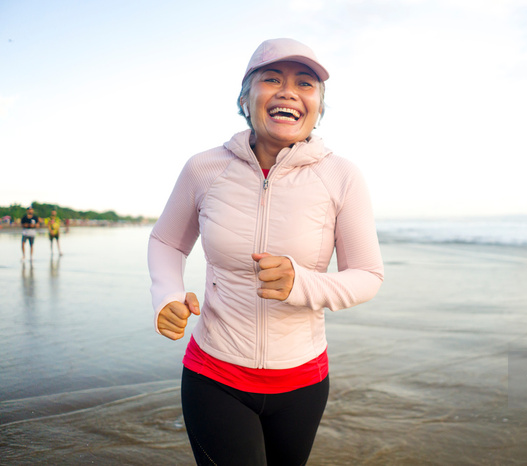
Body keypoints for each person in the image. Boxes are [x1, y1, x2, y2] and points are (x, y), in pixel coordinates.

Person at [147, 38, 384, 465]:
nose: (289, 91)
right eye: (271, 79)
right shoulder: (205, 168)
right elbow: (167, 242)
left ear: (319, 107)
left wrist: (302, 282)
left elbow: (367, 274)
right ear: (245, 98)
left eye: (305, 84)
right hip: (214, 375)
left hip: (303, 382)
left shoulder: (341, 175)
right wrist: (167, 294)